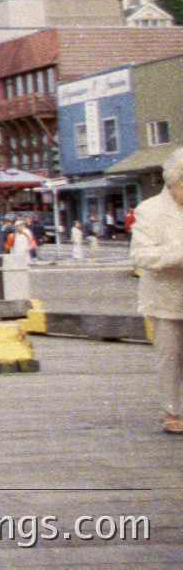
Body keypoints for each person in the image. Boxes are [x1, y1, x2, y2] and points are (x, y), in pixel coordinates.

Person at [131, 149, 183, 435]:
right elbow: (141, 256)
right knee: (170, 357)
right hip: (166, 298)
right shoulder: (150, 210)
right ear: (173, 182)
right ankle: (172, 410)